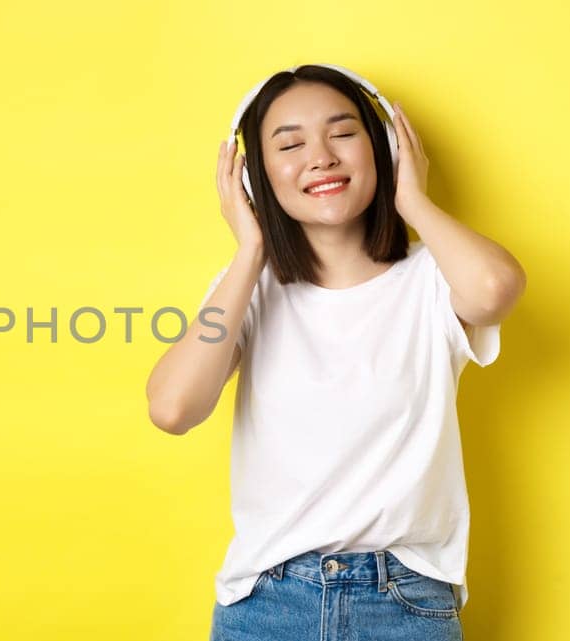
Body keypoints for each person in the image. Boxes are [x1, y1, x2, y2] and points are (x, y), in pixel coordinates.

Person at [144, 65, 526, 640]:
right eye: (290, 144)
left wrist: (413, 200)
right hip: (267, 603)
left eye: (342, 133)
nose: (320, 156)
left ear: (385, 149)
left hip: (405, 602)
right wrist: (250, 249)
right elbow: (172, 409)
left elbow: (496, 291)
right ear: (254, 179)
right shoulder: (249, 287)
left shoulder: (432, 277)